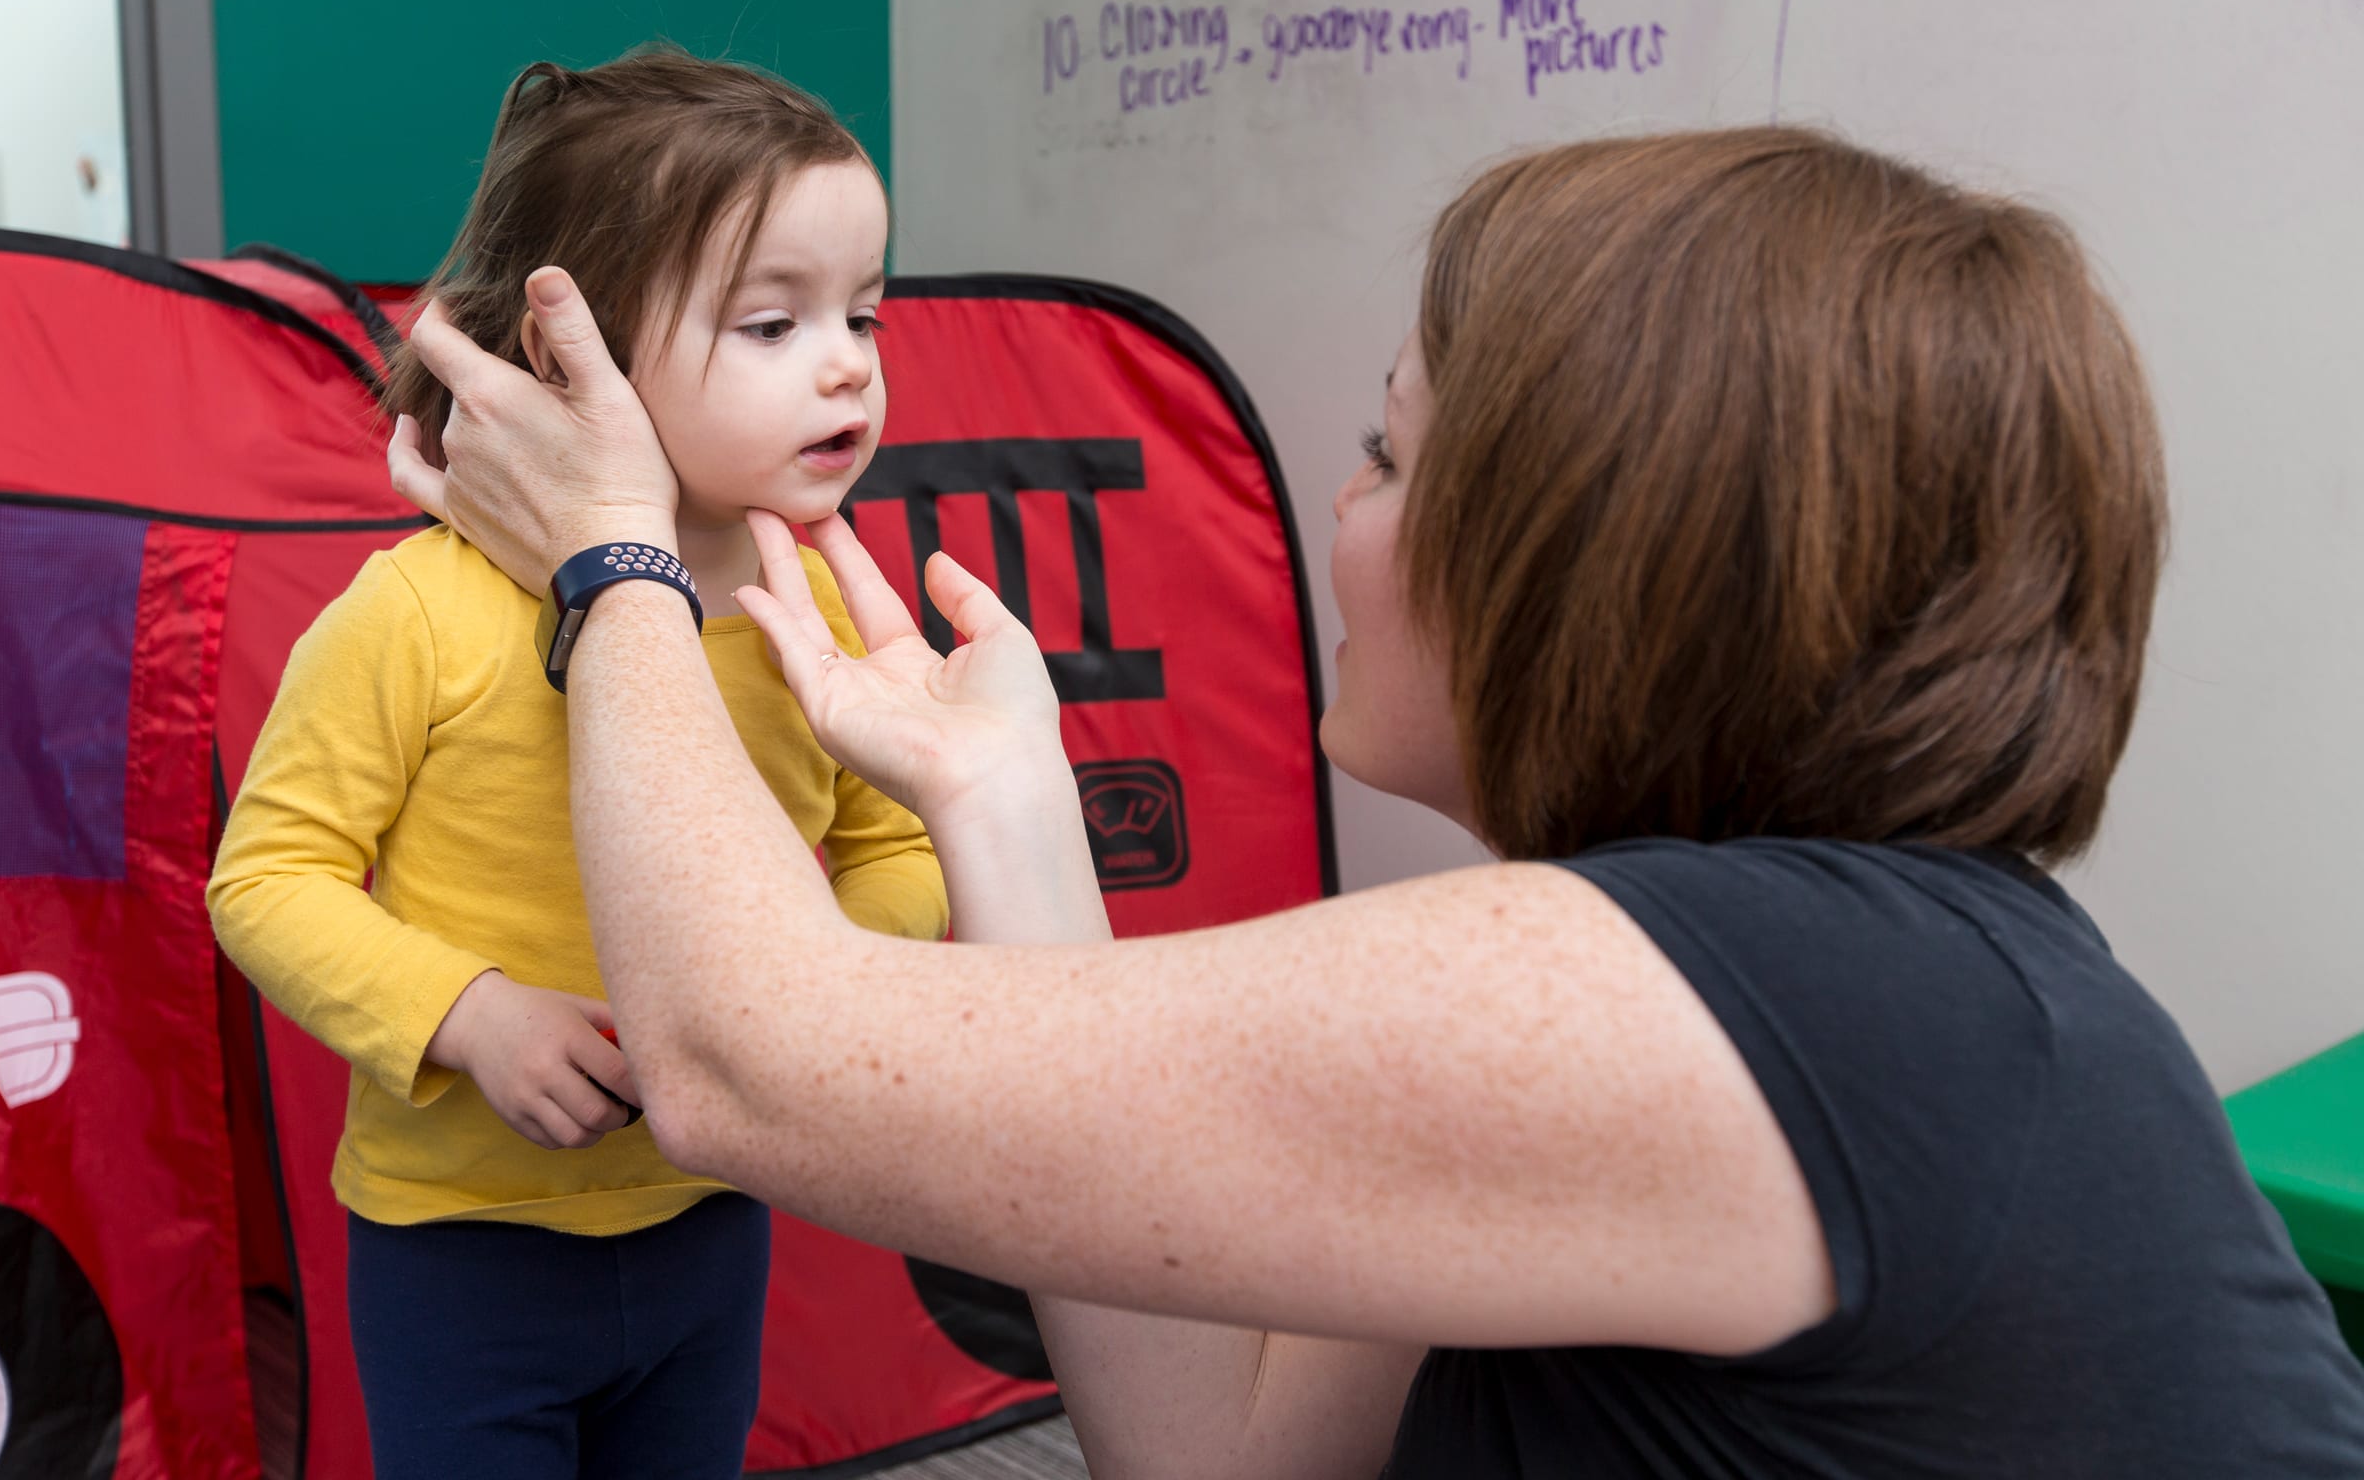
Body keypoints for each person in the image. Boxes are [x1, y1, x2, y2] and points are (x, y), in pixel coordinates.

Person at [387, 128, 2364, 1477]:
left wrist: (615, 570)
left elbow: (749, 1064)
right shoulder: (1810, 976)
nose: (1344, 511)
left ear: (1598, 552)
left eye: (1385, 454)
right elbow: (1225, 1449)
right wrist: (1007, 810)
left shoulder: (1777, 997)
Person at [208, 48, 946, 1479]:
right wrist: (470, 1015)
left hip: (709, 1214)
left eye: (862, 311)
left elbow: (896, 849)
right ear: (568, 364)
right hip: (461, 1245)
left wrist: (804, 983)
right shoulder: (418, 613)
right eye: (772, 322)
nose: (849, 360)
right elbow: (268, 878)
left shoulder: (830, 606)